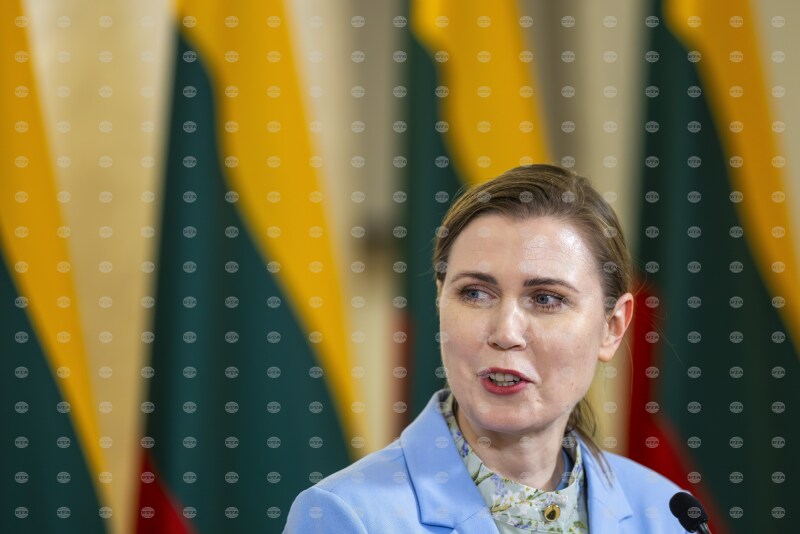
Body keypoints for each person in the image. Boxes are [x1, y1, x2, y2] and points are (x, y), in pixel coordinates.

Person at [284, 164, 688, 533]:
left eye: (546, 298)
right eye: (475, 293)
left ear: (612, 327)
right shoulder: (346, 515)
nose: (505, 332)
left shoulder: (667, 513)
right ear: (440, 301)